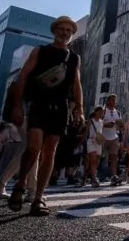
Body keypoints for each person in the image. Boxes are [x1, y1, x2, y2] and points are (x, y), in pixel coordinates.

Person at [7, 16, 84, 216]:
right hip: (39, 104)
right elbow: (22, 77)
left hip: (61, 107)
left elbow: (77, 85)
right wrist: (17, 106)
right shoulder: (40, 51)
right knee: (33, 148)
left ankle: (38, 198)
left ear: (71, 34)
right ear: (55, 30)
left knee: (50, 152)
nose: (65, 32)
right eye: (62, 28)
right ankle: (20, 184)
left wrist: (80, 109)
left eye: (69, 30)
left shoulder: (74, 58)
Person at [102, 94, 124, 186]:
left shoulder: (117, 112)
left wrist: (121, 126)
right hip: (103, 137)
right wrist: (106, 125)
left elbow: (120, 127)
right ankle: (90, 175)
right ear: (107, 101)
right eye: (111, 100)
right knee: (98, 157)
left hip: (114, 137)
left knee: (114, 157)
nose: (113, 102)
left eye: (115, 100)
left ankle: (114, 176)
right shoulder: (103, 110)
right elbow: (97, 122)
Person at [86, 106, 104, 187]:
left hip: (99, 143)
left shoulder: (101, 122)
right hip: (91, 142)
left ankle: (89, 175)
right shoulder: (90, 121)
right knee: (93, 159)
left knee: (96, 161)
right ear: (95, 112)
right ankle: (94, 179)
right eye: (99, 112)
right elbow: (86, 133)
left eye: (102, 112)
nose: (101, 114)